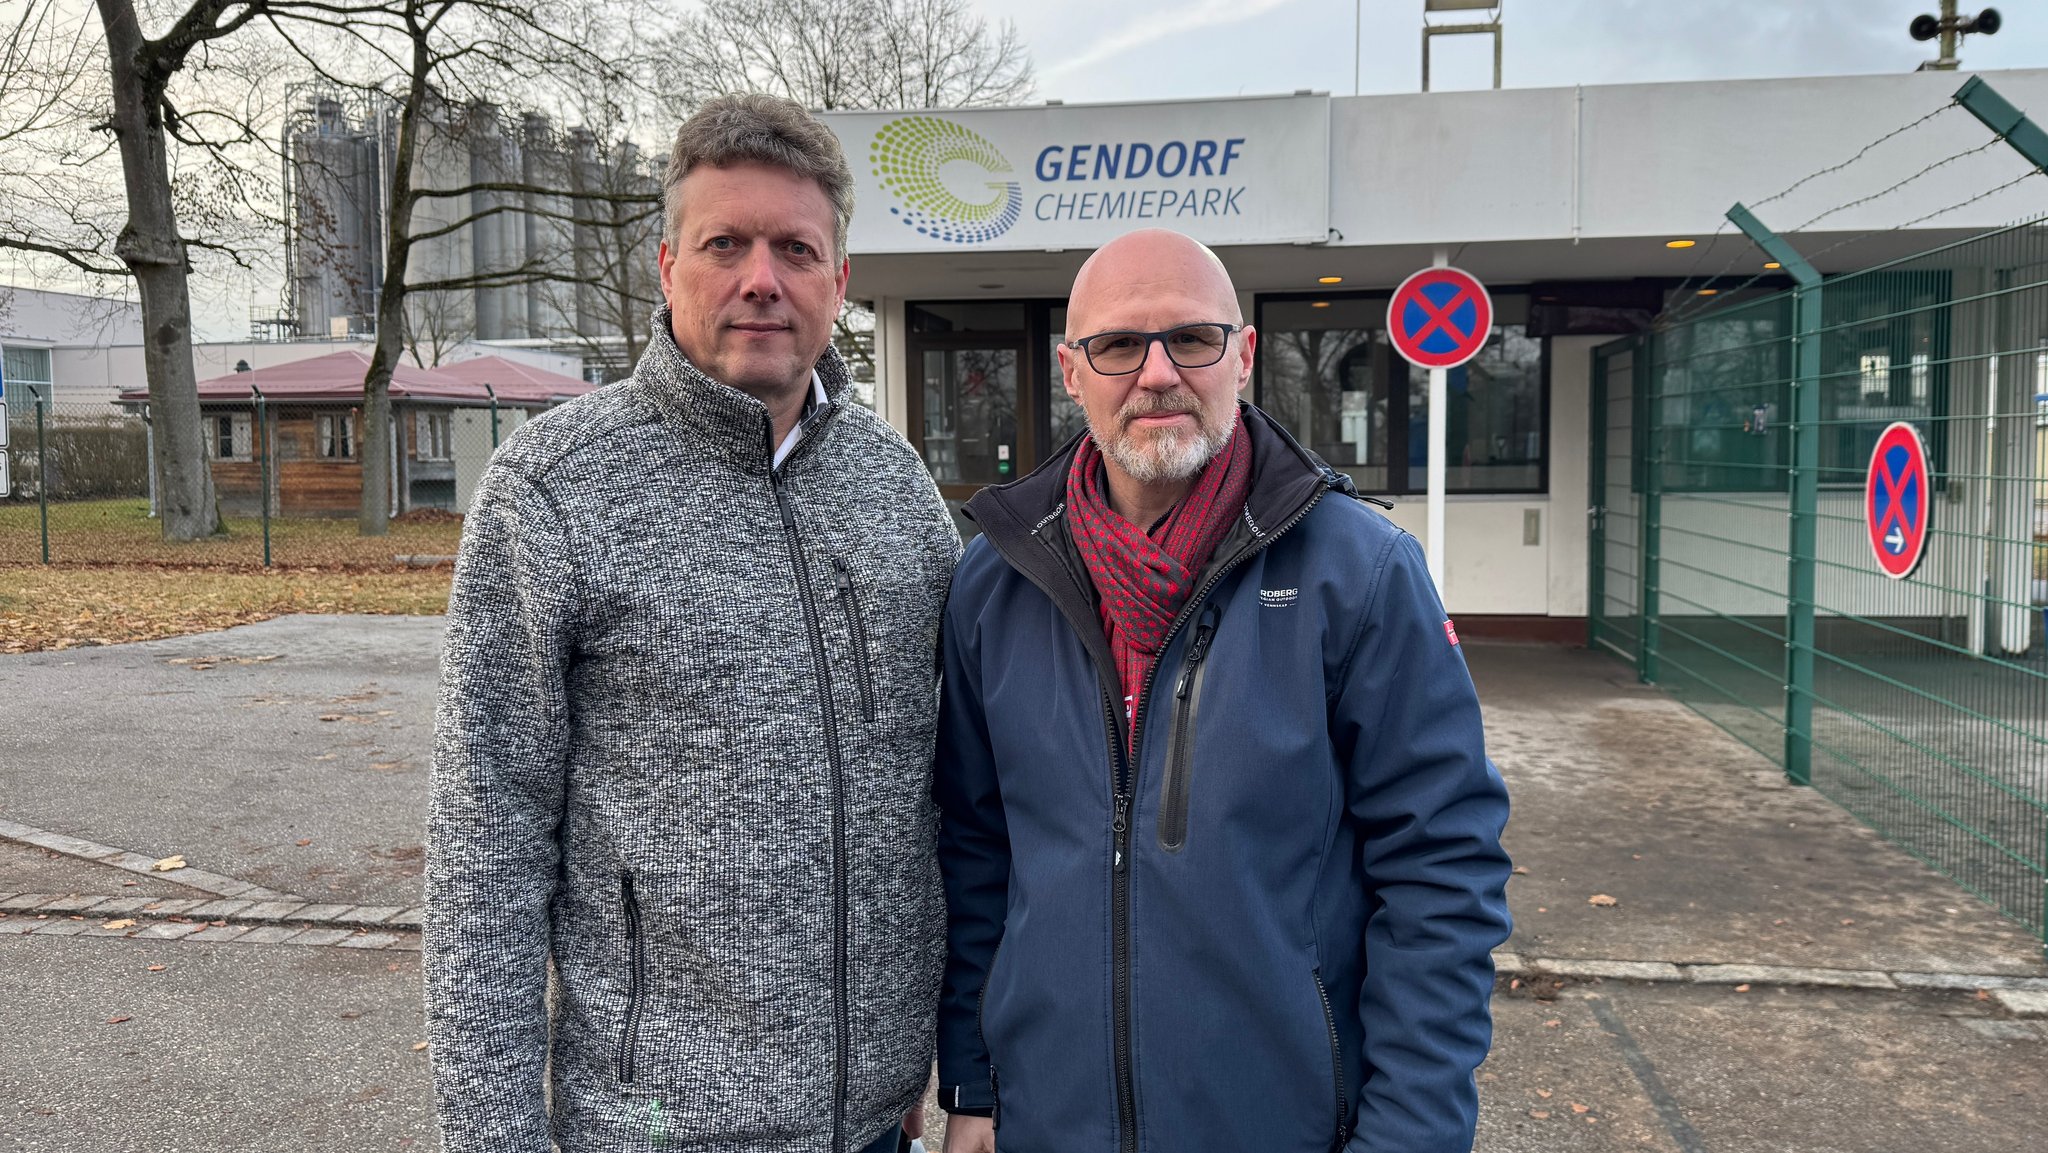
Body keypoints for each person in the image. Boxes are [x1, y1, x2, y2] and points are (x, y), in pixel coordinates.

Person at [425, 93, 959, 1153]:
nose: (762, 277)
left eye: (796, 249)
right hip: (658, 1127)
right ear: (666, 264)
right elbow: (484, 845)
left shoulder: (895, 490)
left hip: (876, 1126)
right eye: (726, 242)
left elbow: (942, 799)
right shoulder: (554, 489)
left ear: (838, 283)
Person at [933, 229, 1512, 1153]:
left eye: (1192, 339)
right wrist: (971, 1081)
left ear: (1242, 357)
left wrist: (1411, 1135)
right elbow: (975, 853)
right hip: (1049, 1123)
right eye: (1119, 345)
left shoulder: (1359, 576)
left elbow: (1443, 871)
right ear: (1071, 372)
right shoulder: (993, 585)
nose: (1158, 373)